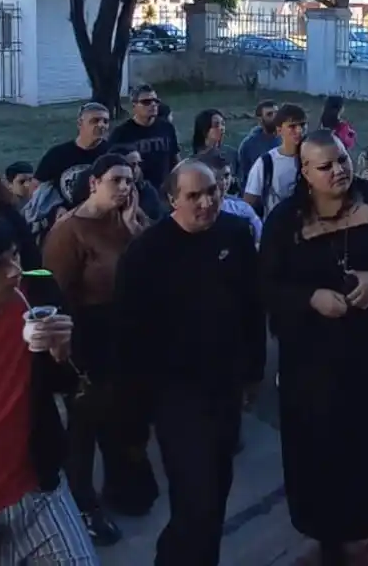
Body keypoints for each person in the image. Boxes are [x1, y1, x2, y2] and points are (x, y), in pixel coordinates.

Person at [259, 130, 368, 565]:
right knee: (324, 446)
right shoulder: (285, 221)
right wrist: (310, 298)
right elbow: (266, 285)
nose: (338, 171)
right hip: (313, 362)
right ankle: (328, 531)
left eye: (343, 160)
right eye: (326, 166)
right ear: (305, 172)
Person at [113, 160, 265, 566]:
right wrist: (134, 414)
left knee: (216, 491)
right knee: (195, 498)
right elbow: (129, 337)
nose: (207, 202)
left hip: (225, 387)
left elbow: (252, 307)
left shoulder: (236, 234)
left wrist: (253, 372)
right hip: (176, 396)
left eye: (212, 191)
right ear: (172, 200)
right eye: (194, 195)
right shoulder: (145, 253)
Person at [0, 213, 99, 566]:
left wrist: (64, 354)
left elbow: (71, 383)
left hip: (38, 493)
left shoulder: (38, 292)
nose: (14, 271)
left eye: (14, 256)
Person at [43, 154, 154, 542]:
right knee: (84, 425)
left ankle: (123, 483)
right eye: (116, 180)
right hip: (87, 335)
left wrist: (134, 227)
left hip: (128, 332)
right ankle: (82, 503)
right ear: (94, 183)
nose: (124, 188)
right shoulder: (69, 232)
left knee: (123, 414)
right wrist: (68, 357)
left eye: (129, 181)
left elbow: (154, 262)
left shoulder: (127, 219)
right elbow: (55, 294)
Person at [27, 102, 112, 243]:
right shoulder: (58, 154)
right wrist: (54, 209)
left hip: (102, 223)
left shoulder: (112, 152)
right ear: (80, 124)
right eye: (95, 120)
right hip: (64, 223)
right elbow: (36, 187)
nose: (101, 125)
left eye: (105, 121)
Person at [108, 84, 180, 194]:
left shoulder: (167, 127)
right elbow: (111, 165)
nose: (153, 105)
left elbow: (175, 158)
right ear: (134, 106)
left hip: (165, 189)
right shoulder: (121, 133)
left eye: (156, 101)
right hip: (136, 191)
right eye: (146, 102)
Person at [243, 104, 306, 219]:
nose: (299, 130)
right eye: (292, 126)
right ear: (279, 130)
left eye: (302, 125)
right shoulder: (266, 162)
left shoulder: (312, 158)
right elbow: (248, 203)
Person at [199, 149, 263, 243]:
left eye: (226, 176)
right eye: (216, 177)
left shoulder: (242, 209)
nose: (223, 182)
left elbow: (260, 240)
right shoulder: (194, 211)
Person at [238, 100, 281, 180]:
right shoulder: (248, 145)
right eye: (269, 114)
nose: (275, 118)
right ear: (260, 120)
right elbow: (244, 175)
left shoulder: (287, 137)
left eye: (277, 113)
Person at [191, 109, 239, 175]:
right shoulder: (194, 162)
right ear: (204, 130)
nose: (222, 128)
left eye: (223, 124)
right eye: (216, 125)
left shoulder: (232, 154)